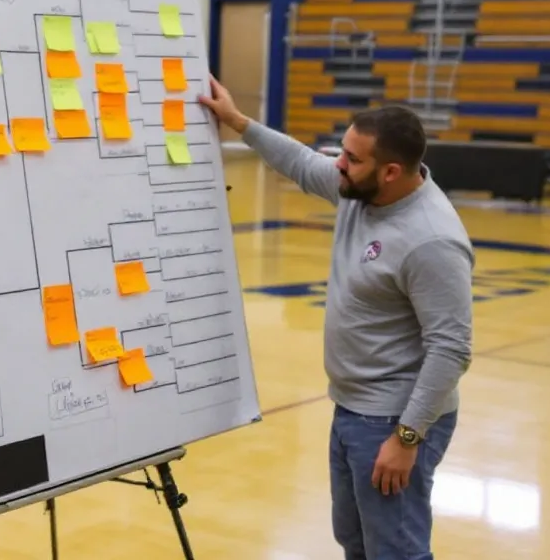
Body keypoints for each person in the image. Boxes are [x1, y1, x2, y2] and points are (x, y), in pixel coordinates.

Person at [198, 77, 472, 559]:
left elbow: (450, 349)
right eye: (342, 152)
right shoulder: (357, 189)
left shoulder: (431, 240)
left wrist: (407, 437)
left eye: (351, 158)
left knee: (396, 550)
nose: (338, 165)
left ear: (390, 171)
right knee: (356, 542)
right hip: (352, 408)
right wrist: (238, 122)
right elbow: (302, 164)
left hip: (394, 419)